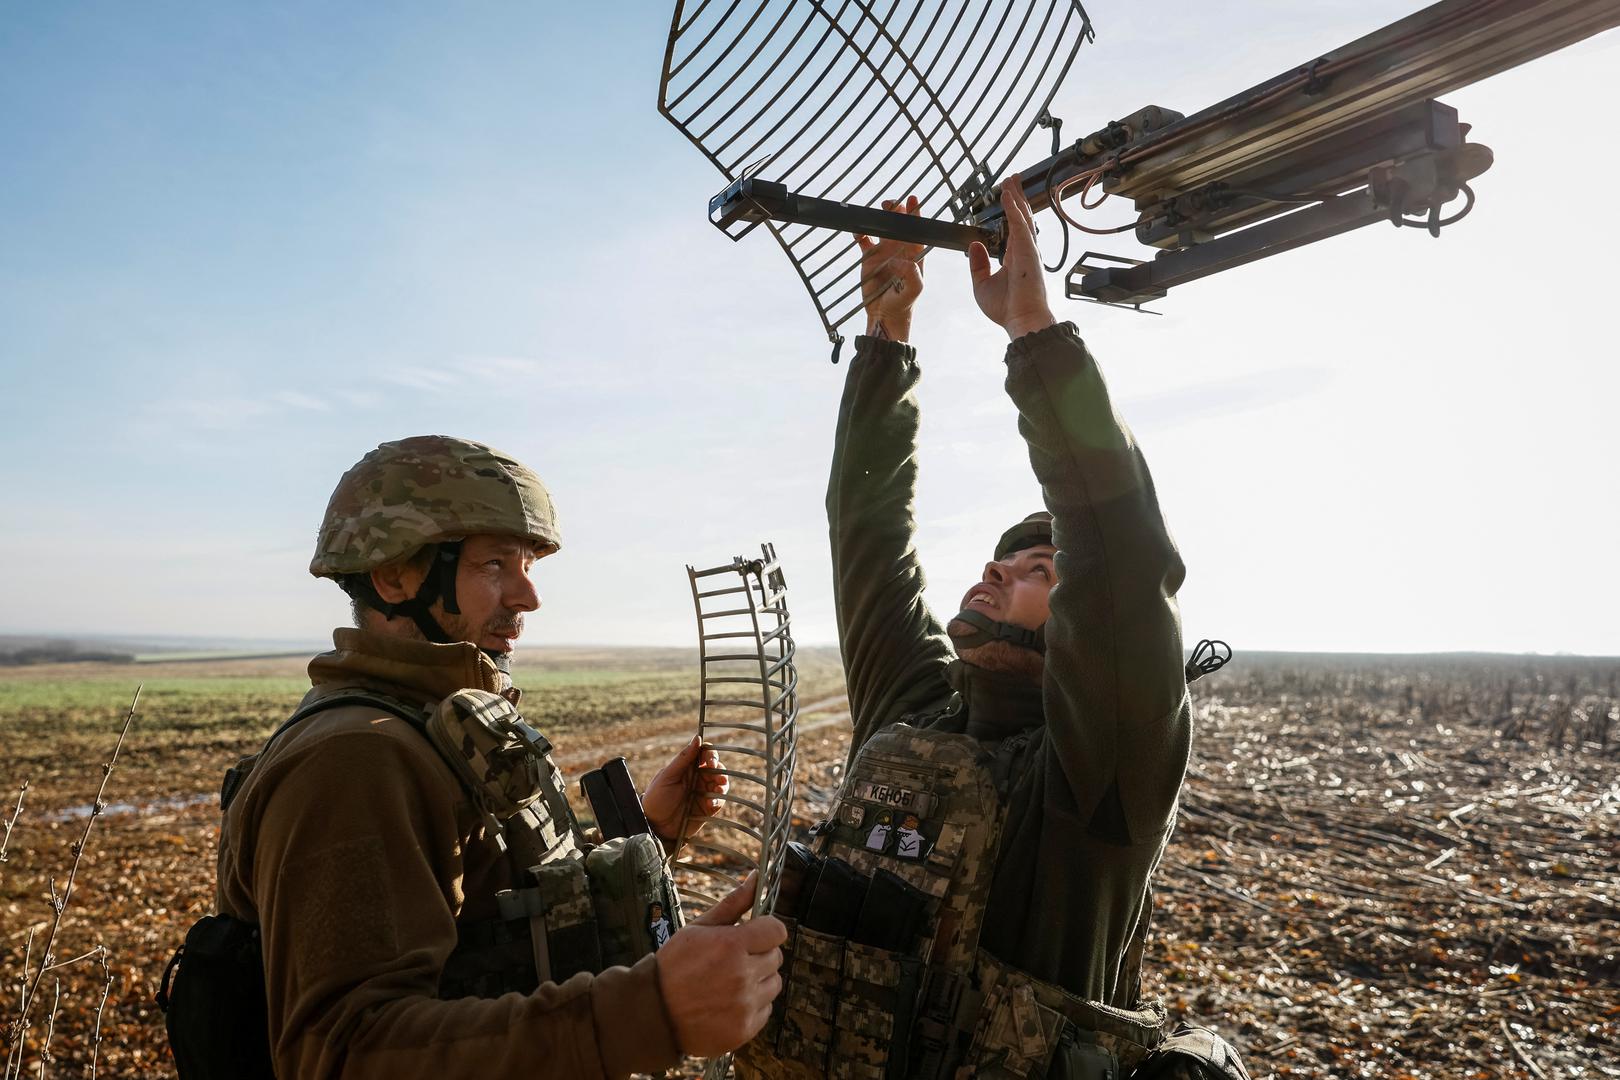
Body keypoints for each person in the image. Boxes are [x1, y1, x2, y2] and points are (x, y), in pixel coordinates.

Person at [736, 182, 1246, 1079]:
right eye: (997, 561)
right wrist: (887, 338)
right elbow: (868, 532)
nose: (997, 572)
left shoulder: (1099, 770)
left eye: (1038, 571)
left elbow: (1120, 552)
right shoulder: (917, 709)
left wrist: (1035, 334)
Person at [207, 436, 786, 1079]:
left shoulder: (432, 721)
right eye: (494, 566)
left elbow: (496, 934)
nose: (527, 597)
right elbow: (343, 1052)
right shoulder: (355, 760)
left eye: (528, 565)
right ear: (394, 575)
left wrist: (651, 833)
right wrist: (650, 1014)